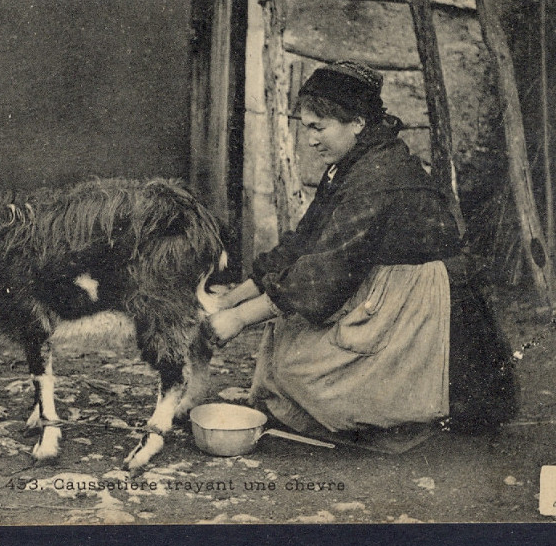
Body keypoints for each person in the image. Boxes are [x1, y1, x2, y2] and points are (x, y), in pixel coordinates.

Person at [205, 60, 517, 439]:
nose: (311, 140)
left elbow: (326, 271)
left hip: (430, 308)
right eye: (307, 129)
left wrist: (238, 320)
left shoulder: (378, 177)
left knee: (298, 370)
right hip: (386, 289)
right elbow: (303, 242)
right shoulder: (350, 165)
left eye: (319, 128)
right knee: (284, 349)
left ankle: (408, 412)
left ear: (357, 122)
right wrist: (231, 301)